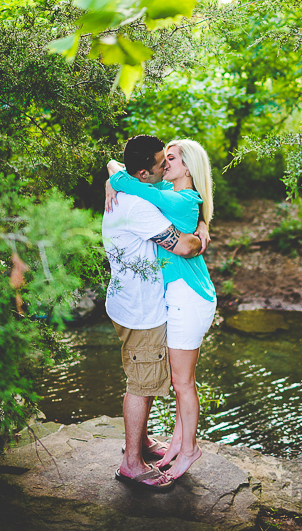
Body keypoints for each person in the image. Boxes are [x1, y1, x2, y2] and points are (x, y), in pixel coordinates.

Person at [102, 135, 208, 491]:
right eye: (162, 162)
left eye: (171, 159)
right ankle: (131, 463)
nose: (166, 166)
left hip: (127, 301)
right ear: (144, 172)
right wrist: (197, 239)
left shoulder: (135, 190)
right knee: (141, 384)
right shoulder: (140, 206)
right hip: (140, 310)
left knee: (141, 375)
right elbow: (181, 246)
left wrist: (111, 175)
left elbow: (118, 169)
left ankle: (143, 443)